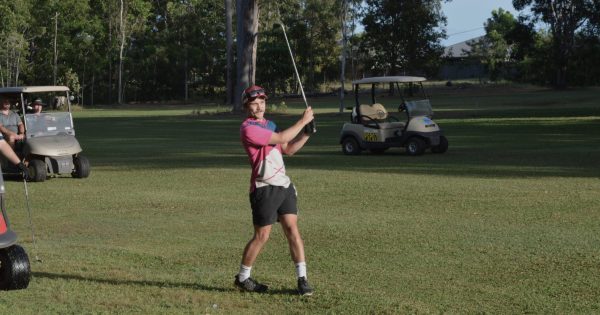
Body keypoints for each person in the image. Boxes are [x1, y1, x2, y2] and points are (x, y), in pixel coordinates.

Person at [235, 85, 315, 296]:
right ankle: (243, 278)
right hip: (264, 188)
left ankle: (302, 279)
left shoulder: (271, 124)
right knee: (262, 236)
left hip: (283, 185)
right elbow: (280, 139)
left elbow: (287, 149)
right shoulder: (248, 128)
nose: (259, 106)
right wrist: (302, 121)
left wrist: (306, 134)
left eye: (262, 102)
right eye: (254, 103)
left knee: (292, 230)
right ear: (247, 106)